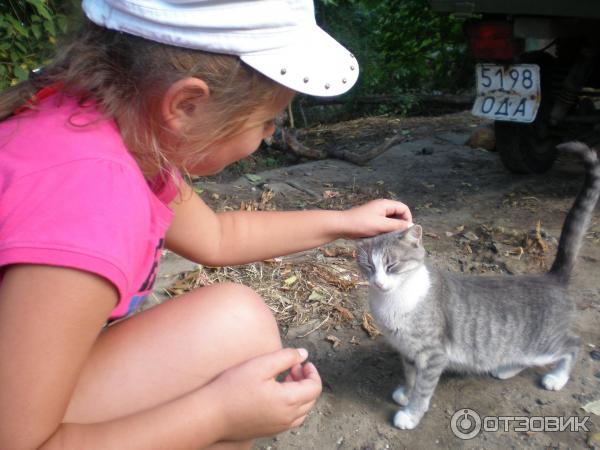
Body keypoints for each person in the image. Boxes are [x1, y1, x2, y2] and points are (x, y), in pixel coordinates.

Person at [0, 1, 413, 448]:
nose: (271, 134)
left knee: (236, 324)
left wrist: (343, 222)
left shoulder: (109, 125)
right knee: (233, 362)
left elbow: (217, 236)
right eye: (266, 120)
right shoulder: (89, 199)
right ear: (186, 104)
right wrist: (217, 414)